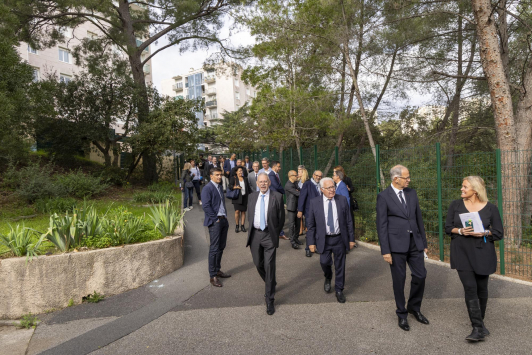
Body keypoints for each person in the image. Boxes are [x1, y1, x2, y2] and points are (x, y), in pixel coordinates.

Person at [445, 176, 503, 342]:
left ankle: (480, 324)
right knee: (470, 288)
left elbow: (499, 232)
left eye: (465, 187)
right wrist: (461, 231)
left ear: (476, 190)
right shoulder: (455, 205)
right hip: (461, 251)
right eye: (462, 186)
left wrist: (484, 232)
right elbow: (448, 228)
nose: (461, 189)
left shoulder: (491, 208)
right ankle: (477, 327)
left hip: (483, 252)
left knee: (482, 289)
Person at [376, 165, 429, 331]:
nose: (409, 180)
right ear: (395, 179)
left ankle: (414, 307)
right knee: (399, 281)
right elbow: (381, 225)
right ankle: (402, 313)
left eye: (408, 177)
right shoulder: (383, 197)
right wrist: (385, 250)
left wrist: (424, 243)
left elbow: (418, 218)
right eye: (406, 177)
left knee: (420, 275)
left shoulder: (411, 193)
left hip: (415, 243)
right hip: (395, 246)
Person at [307, 177, 355, 303]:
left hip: (339, 238)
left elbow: (349, 221)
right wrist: (311, 242)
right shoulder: (314, 202)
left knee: (340, 265)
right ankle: (328, 276)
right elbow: (311, 225)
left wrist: (351, 239)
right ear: (322, 189)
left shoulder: (342, 200)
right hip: (324, 239)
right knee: (324, 262)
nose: (332, 190)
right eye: (329, 188)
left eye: (333, 187)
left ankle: (339, 289)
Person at [246, 173, 285, 315]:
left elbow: (281, 218)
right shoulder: (252, 197)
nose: (263, 184)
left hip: (269, 235)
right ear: (257, 183)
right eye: (260, 182)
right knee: (258, 264)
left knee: (269, 266)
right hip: (255, 235)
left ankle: (270, 299)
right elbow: (250, 215)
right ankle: (271, 282)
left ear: (269, 182)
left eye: (265, 181)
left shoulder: (277, 197)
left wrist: (275, 232)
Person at [200, 167, 231, 287]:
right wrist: (216, 219)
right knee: (214, 248)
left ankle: (217, 270)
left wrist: (224, 217)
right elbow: (206, 206)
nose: (219, 177)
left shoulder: (219, 186)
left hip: (223, 220)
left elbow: (221, 204)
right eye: (217, 175)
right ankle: (212, 276)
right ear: (211, 176)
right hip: (215, 222)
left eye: (220, 175)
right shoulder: (207, 188)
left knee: (221, 247)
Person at [298, 170, 323, 257]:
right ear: (313, 175)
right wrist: (300, 210)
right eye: (317, 175)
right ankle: (308, 248)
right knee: (310, 230)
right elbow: (302, 197)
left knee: (318, 230)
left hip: (320, 211)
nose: (318, 177)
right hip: (309, 211)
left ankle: (315, 246)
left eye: (320, 176)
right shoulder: (307, 184)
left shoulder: (321, 184)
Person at [268, 161, 288, 240]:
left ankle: (279, 233)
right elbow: (276, 186)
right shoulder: (271, 175)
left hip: (277, 197)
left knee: (279, 216)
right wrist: (285, 192)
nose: (279, 168)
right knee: (277, 216)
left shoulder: (276, 174)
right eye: (278, 167)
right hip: (274, 198)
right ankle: (277, 233)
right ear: (274, 167)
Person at [229, 166, 251, 233]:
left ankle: (242, 225)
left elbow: (248, 188)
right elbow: (230, 186)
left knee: (243, 212)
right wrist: (235, 187)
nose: (241, 172)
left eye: (241, 171)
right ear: (236, 172)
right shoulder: (234, 178)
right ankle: (237, 225)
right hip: (237, 197)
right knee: (237, 211)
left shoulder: (245, 178)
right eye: (239, 171)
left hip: (244, 197)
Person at [285, 170, 302, 249]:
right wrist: (297, 191)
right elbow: (298, 193)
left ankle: (296, 238)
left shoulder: (295, 183)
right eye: (295, 175)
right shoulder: (288, 185)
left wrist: (298, 191)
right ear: (291, 176)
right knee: (292, 225)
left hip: (297, 206)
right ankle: (292, 241)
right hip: (291, 207)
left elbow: (299, 190)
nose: (297, 176)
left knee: (298, 224)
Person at [298, 166, 309, 235]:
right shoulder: (299, 181)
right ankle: (301, 229)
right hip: (302, 202)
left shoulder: (306, 183)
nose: (298, 173)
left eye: (299, 171)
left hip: (306, 203)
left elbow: (303, 194)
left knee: (307, 218)